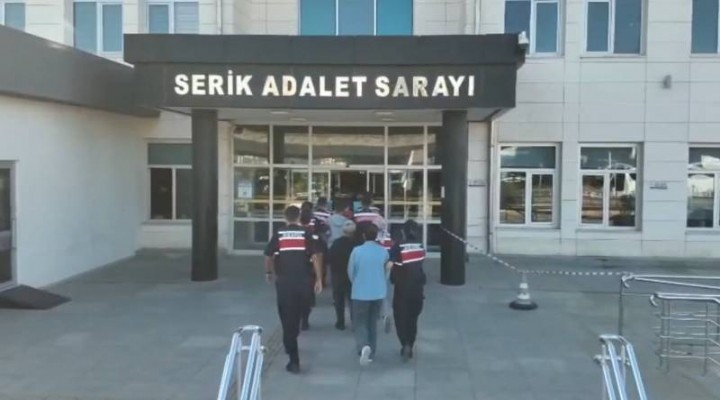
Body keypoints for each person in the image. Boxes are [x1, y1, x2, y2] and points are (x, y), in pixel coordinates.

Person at [264, 206, 323, 374]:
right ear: (298, 217)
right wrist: (319, 279)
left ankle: (293, 357)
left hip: (285, 283)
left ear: (285, 217)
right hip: (304, 282)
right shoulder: (306, 233)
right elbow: (316, 256)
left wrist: (268, 272)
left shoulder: (279, 234)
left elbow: (268, 255)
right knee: (298, 315)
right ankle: (292, 337)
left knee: (287, 317)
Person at [348, 223, 392, 366]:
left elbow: (351, 271)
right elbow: (387, 272)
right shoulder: (383, 252)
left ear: (363, 236)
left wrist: (355, 282)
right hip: (378, 292)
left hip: (360, 292)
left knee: (360, 322)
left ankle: (363, 346)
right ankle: (372, 349)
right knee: (372, 322)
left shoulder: (356, 251)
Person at [389, 220, 427, 361]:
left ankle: (404, 342)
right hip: (417, 289)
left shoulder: (398, 247)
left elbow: (389, 264)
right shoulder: (420, 247)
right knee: (413, 319)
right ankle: (410, 343)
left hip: (402, 289)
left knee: (400, 317)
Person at [299, 203, 326, 331]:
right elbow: (319, 255)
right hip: (309, 269)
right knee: (308, 294)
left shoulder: (295, 234)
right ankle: (305, 318)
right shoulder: (314, 236)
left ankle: (299, 317)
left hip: (296, 268)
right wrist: (320, 277)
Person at [328, 219, 356, 330]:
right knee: (352, 299)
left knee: (338, 299)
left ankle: (340, 322)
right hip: (352, 276)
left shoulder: (336, 243)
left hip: (337, 275)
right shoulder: (356, 244)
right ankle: (354, 321)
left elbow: (329, 258)